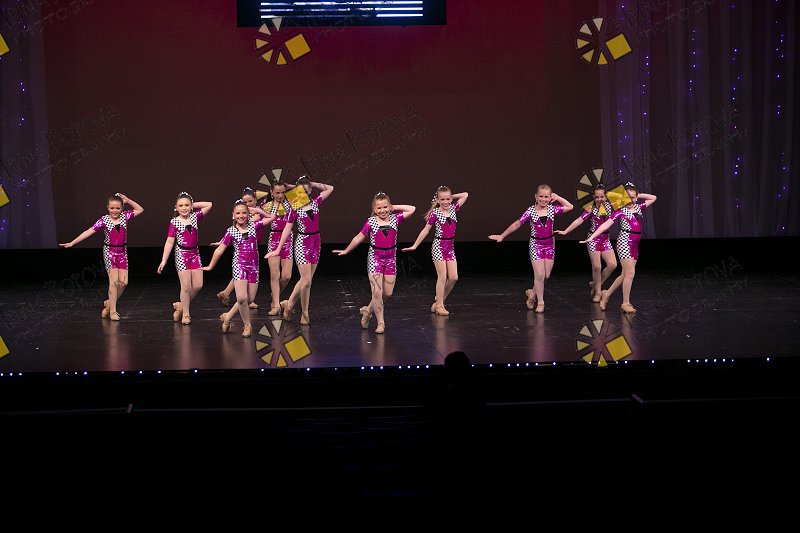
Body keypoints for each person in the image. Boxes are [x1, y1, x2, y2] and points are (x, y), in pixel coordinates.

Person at [332, 192, 415, 334]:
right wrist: (346, 250)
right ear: (374, 209)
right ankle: (381, 323)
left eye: (385, 207)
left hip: (391, 259)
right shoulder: (371, 222)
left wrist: (393, 207)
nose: (382, 210)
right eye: (379, 208)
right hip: (375, 259)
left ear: (389, 207)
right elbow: (358, 237)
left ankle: (368, 310)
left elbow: (412, 209)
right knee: (377, 292)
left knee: (387, 293)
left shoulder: (395, 219)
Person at [59, 193, 144, 321]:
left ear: (122, 208)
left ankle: (110, 303)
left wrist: (128, 200)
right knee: (114, 282)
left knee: (124, 282)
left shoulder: (124, 217)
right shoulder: (104, 220)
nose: (115, 210)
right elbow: (88, 231)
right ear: (107, 208)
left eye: (118, 208)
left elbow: (140, 209)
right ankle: (113, 311)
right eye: (112, 208)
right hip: (109, 252)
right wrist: (73, 242)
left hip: (122, 252)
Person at [489, 184, 573, 313]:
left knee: (546, 276)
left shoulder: (552, 209)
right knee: (539, 275)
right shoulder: (530, 211)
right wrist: (502, 235)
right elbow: (517, 224)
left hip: (550, 244)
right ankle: (541, 302)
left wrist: (558, 197)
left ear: (550, 197)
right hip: (536, 245)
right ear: (536, 197)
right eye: (541, 196)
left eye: (546, 197)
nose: (543, 199)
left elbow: (570, 207)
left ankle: (532, 293)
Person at [266, 176, 334, 325]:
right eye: (300, 192)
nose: (303, 194)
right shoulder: (294, 208)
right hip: (302, 244)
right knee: (307, 281)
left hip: (316, 243)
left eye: (306, 191)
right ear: (296, 193)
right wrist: (278, 248)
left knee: (306, 280)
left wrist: (312, 184)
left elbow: (330, 188)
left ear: (310, 191)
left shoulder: (316, 202)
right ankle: (305, 313)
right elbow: (287, 230)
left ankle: (289, 304)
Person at [580, 182, 657, 313]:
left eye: (633, 198)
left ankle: (606, 294)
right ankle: (625, 303)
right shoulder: (620, 211)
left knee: (625, 274)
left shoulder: (638, 207)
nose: (630, 200)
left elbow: (653, 197)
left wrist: (636, 195)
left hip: (635, 244)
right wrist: (592, 237)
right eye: (627, 198)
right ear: (622, 198)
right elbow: (605, 225)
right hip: (624, 243)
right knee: (630, 273)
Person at [203, 200, 274, 337]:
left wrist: (257, 210)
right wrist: (211, 265)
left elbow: (272, 217)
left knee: (249, 299)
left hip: (253, 267)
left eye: (244, 213)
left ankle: (228, 316)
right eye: (238, 213)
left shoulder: (254, 226)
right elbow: (220, 250)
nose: (241, 216)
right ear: (233, 215)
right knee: (241, 298)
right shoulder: (231, 231)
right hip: (239, 266)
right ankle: (247, 325)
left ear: (248, 214)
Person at [402, 186, 468, 316]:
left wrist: (450, 196)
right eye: (442, 199)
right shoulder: (435, 213)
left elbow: (465, 194)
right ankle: (440, 306)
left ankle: (438, 301)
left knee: (453, 277)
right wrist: (415, 245)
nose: (446, 202)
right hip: (439, 246)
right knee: (442, 277)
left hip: (450, 247)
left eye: (448, 199)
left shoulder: (453, 208)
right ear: (437, 200)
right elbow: (425, 230)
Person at [157, 192, 213, 325]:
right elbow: (169, 242)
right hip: (181, 255)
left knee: (198, 285)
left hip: (195, 254)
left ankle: (181, 306)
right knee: (186, 286)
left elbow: (209, 205)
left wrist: (193, 204)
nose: (184, 208)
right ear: (176, 207)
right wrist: (164, 260)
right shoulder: (174, 222)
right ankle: (186, 314)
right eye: (181, 205)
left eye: (187, 205)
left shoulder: (194, 217)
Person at [555, 184, 617, 302]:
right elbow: (578, 221)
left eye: (602, 196)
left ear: (606, 196)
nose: (599, 199)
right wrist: (566, 231)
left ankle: (595, 284)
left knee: (612, 265)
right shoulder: (591, 208)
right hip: (593, 239)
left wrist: (612, 195)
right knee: (597, 266)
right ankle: (597, 292)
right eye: (596, 197)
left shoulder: (612, 206)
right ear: (593, 197)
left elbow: (626, 197)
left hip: (605, 239)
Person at [215, 187, 266, 310]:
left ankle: (226, 293)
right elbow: (235, 229)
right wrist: (222, 242)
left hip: (254, 245)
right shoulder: (248, 216)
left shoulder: (258, 210)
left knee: (244, 272)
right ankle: (232, 296)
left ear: (255, 200)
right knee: (242, 272)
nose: (247, 204)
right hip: (245, 246)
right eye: (245, 202)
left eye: (250, 201)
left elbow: (268, 197)